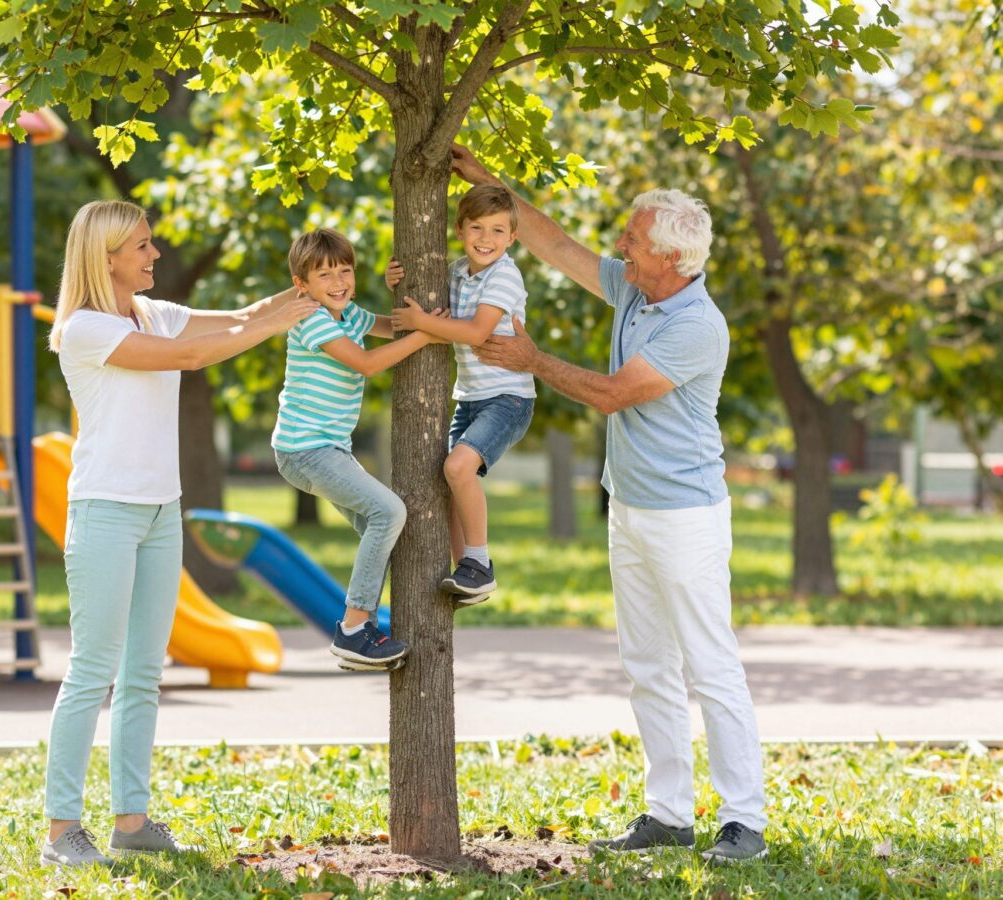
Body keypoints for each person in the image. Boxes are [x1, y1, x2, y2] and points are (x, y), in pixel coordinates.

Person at [452, 146, 768, 864]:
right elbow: (556, 243)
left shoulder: (695, 324)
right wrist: (490, 184)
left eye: (631, 239)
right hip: (629, 507)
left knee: (709, 664)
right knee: (647, 664)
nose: (619, 245)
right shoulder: (636, 286)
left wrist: (533, 361)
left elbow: (614, 394)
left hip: (686, 516)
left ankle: (743, 820)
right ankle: (668, 815)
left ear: (670, 258)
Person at [41, 200, 318, 868]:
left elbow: (240, 320)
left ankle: (130, 821)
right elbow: (195, 353)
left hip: (163, 511)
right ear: (106, 257)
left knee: (144, 671)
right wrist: (292, 314)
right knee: (93, 669)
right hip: (106, 511)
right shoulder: (84, 329)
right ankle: (60, 832)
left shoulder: (153, 313)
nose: (154, 255)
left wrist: (311, 290)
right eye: (141, 246)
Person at [273, 228, 445, 670]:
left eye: (345, 270)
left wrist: (401, 296)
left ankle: (363, 632)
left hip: (328, 449)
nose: (338, 281)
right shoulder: (310, 319)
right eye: (324, 274)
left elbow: (392, 327)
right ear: (302, 285)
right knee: (389, 512)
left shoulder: (349, 313)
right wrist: (426, 336)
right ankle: (352, 629)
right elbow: (367, 363)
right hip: (304, 449)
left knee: (382, 530)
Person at [386, 185, 536, 604]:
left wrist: (422, 323)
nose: (485, 239)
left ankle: (479, 563)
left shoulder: (505, 275)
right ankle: (467, 572)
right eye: (476, 228)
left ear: (511, 238)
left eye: (497, 230)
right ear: (459, 229)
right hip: (470, 397)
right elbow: (433, 313)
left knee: (457, 468)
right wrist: (396, 282)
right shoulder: (454, 273)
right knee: (451, 479)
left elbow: (474, 332)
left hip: (508, 397)